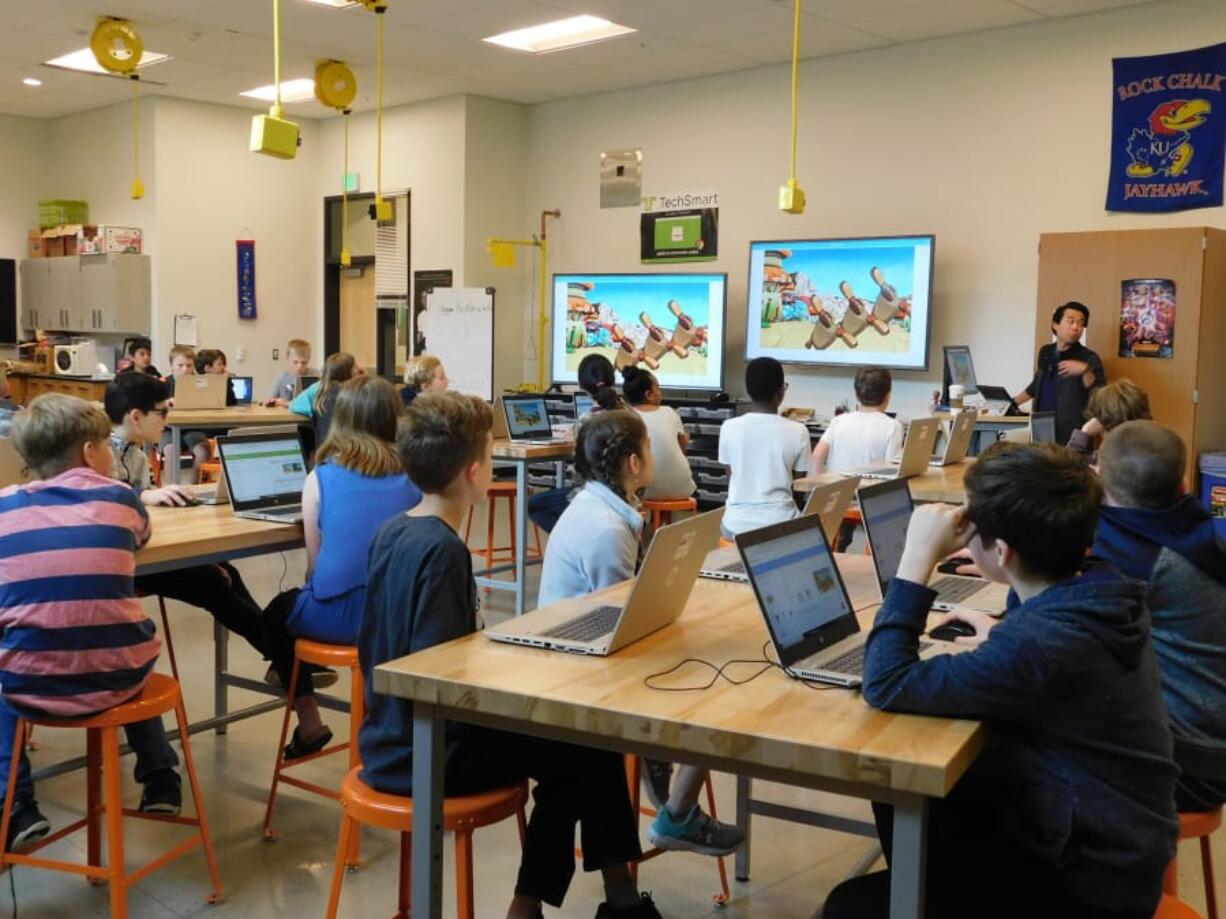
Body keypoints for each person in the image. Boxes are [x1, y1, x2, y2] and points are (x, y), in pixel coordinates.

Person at [823, 441, 1178, 919]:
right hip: (1117, 847)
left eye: (973, 529)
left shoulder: (1040, 645)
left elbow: (885, 681)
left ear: (1004, 552)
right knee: (911, 796)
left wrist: (916, 559)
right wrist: (1005, 628)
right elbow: (1041, 649)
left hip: (1086, 887)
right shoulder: (1100, 588)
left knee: (849, 904)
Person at [359, 392, 660, 919]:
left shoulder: (394, 531)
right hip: (425, 756)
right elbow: (442, 681)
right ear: (476, 472)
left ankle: (600, 896)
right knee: (580, 746)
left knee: (581, 742)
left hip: (387, 734)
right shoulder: (443, 551)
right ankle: (553, 903)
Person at [538, 410, 742, 858]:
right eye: (649, 449)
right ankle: (677, 808)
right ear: (633, 463)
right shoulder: (606, 529)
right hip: (581, 668)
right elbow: (619, 620)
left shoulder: (608, 508)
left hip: (593, 648)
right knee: (718, 691)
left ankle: (670, 788)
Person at [0, 394, 184, 850]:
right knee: (124, 649)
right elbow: (138, 537)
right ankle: (160, 773)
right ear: (89, 452)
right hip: (120, 677)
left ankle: (16, 803)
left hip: (32, 685)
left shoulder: (4, 507)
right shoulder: (122, 498)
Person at [103, 374, 295, 695]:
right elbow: (96, 503)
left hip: (142, 552)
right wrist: (140, 496)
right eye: (162, 413)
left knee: (225, 571)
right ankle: (289, 662)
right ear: (136, 416)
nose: (168, 420)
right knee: (213, 582)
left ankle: (282, 659)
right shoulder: (98, 451)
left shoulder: (135, 454)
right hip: (115, 565)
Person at [263, 376, 420, 759]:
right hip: (402, 619)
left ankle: (310, 717)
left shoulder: (321, 478)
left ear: (341, 419)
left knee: (273, 617)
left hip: (337, 619)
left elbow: (315, 569)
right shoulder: (417, 476)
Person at [1093, 420, 1226, 813]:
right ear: (1184, 484)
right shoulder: (1193, 530)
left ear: (1101, 483)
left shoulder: (1137, 559)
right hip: (1210, 744)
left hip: (1189, 765)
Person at [527, 353, 626, 534]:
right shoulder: (631, 415)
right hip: (627, 494)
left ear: (582, 386)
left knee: (534, 505)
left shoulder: (586, 421)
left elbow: (580, 473)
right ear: (613, 379)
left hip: (593, 496)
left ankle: (573, 538)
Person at [810, 367, 903, 549]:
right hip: (868, 502)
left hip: (835, 499)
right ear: (888, 395)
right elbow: (893, 472)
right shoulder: (893, 426)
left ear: (856, 394)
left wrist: (816, 494)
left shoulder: (839, 421)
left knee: (838, 535)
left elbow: (816, 457)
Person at [718, 357, 810, 537]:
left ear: (748, 390)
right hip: (781, 522)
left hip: (735, 524)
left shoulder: (729, 427)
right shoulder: (799, 431)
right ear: (780, 392)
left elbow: (732, 476)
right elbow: (798, 487)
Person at [1014, 301, 1106, 445]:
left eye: (1081, 323)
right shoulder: (1046, 352)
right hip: (1042, 425)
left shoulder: (1088, 357)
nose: (1076, 327)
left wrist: (1085, 370)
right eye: (1071, 321)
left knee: (1068, 466)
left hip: (1072, 430)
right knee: (1041, 463)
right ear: (1055, 325)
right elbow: (1037, 384)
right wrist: (1010, 404)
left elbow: (1099, 393)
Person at [622, 366, 695, 501]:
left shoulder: (628, 416)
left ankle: (647, 521)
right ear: (648, 395)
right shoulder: (670, 412)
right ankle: (667, 521)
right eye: (658, 388)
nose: (660, 393)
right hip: (682, 487)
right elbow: (682, 449)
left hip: (645, 491)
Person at [1067, 378, 1151, 463]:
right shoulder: (1154, 449)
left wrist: (1083, 434)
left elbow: (1065, 469)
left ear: (1101, 422)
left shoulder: (1107, 461)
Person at [290, 352, 360, 449]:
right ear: (347, 372)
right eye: (355, 367)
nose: (359, 369)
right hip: (349, 453)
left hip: (324, 453)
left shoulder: (318, 389)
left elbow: (295, 405)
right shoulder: (356, 394)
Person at [162, 345, 211, 482]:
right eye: (180, 365)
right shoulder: (163, 384)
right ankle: (171, 488)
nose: (185, 369)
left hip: (192, 428)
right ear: (171, 365)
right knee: (171, 450)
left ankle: (194, 486)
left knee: (203, 450)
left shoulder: (200, 383)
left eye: (189, 366)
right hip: (168, 429)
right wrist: (166, 403)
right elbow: (154, 407)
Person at [266, 339, 315, 407]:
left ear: (309, 360)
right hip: (286, 416)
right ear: (288, 359)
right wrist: (272, 401)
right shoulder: (281, 378)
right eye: (295, 362)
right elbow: (271, 400)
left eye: (304, 363)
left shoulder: (315, 376)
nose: (299, 367)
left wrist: (286, 403)